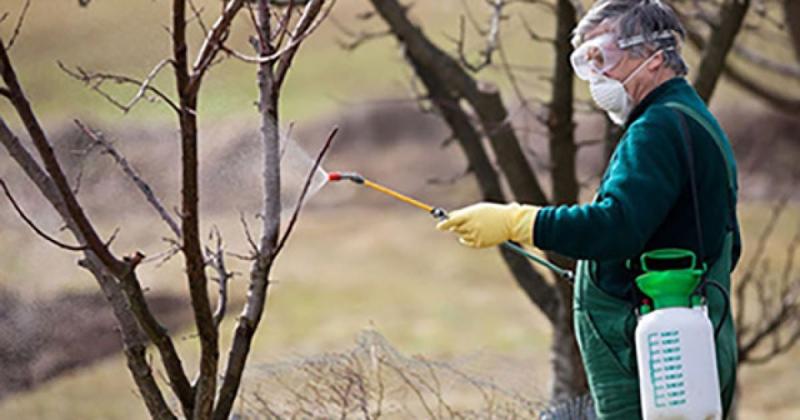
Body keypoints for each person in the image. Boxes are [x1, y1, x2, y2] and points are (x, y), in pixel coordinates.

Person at [436, 1, 741, 419]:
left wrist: (518, 221)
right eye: (587, 62)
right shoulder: (686, 119)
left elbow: (616, 226)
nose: (596, 76)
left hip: (658, 363)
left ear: (654, 58)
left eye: (605, 58)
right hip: (675, 356)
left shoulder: (657, 129)